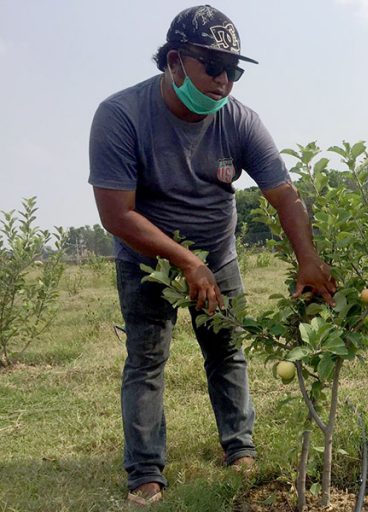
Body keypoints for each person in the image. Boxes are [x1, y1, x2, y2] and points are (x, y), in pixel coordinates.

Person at [88, 5, 336, 506]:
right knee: (147, 359)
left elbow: (284, 194)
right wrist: (184, 261)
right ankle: (145, 471)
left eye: (234, 70)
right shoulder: (121, 115)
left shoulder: (240, 121)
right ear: (175, 62)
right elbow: (117, 215)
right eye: (213, 67)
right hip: (146, 260)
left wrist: (308, 258)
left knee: (226, 352)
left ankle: (240, 448)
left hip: (218, 256)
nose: (224, 82)